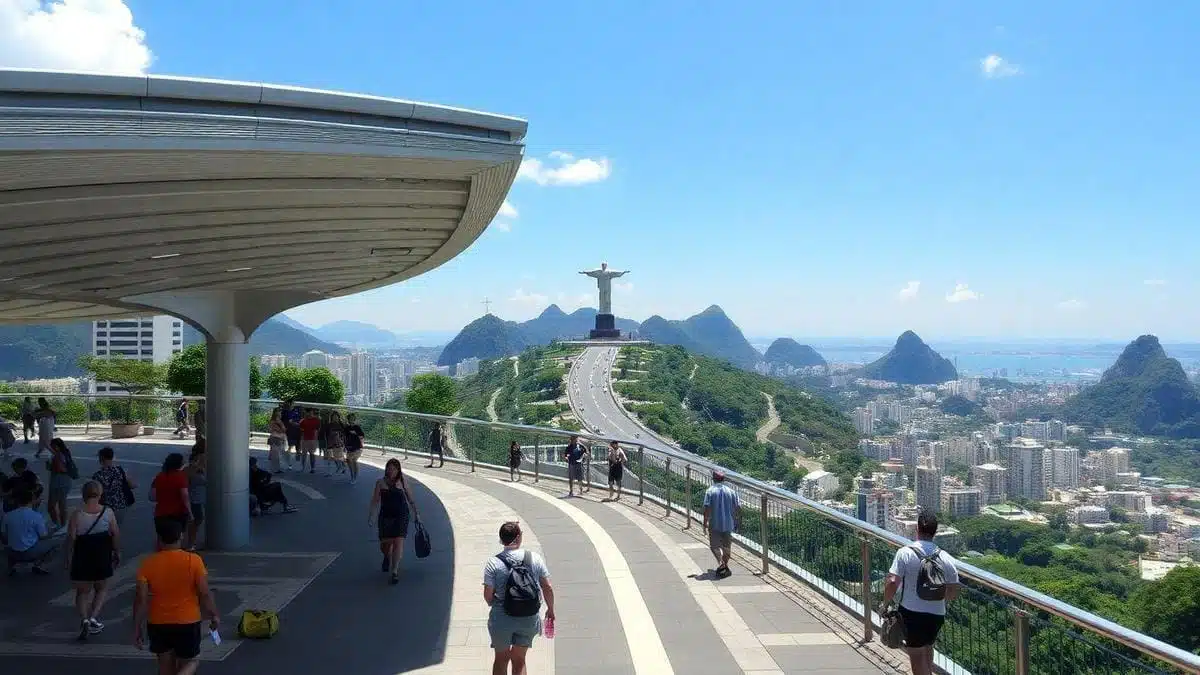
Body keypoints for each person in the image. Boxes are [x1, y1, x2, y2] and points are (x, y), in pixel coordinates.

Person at [133, 518, 220, 674]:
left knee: (165, 668)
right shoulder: (193, 561)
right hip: (187, 621)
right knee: (191, 661)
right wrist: (213, 615)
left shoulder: (147, 563)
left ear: (159, 538)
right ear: (181, 536)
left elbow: (141, 599)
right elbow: (204, 592)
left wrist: (137, 627)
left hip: (158, 622)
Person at [879, 511, 960, 675]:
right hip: (937, 614)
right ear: (935, 532)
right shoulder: (946, 558)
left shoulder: (905, 553)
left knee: (916, 656)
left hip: (911, 612)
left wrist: (885, 604)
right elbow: (953, 589)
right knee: (928, 649)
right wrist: (942, 603)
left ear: (917, 529)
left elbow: (893, 581)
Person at [483, 521, 555, 675]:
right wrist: (550, 609)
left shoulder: (493, 563)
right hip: (528, 617)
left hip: (501, 617)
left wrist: (493, 603)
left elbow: (488, 596)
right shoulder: (534, 558)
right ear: (518, 538)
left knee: (501, 659)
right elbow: (547, 586)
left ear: (501, 540)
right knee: (519, 660)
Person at [65, 480, 120, 640]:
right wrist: (117, 552)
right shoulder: (107, 512)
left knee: (82, 592)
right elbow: (115, 533)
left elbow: (71, 538)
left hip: (82, 554)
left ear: (83, 494)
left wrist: (68, 557)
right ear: (100, 494)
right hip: (102, 554)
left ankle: (84, 619)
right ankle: (94, 617)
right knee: (101, 588)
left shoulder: (77, 514)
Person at [369, 458, 419, 585]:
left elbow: (411, 499)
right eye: (389, 469)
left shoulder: (403, 482)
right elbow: (375, 501)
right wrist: (372, 516)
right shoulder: (380, 483)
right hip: (386, 516)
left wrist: (417, 514)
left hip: (401, 515)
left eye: (394, 469)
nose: (391, 471)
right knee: (385, 544)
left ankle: (394, 571)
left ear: (398, 470)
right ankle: (387, 556)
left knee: (398, 541)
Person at [1, 487, 58, 575]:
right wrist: (52, 532)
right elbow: (43, 536)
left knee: (11, 544)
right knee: (55, 544)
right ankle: (38, 564)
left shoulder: (8, 515)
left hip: (12, 551)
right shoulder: (36, 516)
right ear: (32, 500)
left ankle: (11, 566)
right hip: (29, 553)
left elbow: (3, 536)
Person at [702, 470, 740, 579]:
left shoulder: (710, 491)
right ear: (724, 479)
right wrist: (737, 521)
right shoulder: (731, 491)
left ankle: (720, 563)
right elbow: (737, 508)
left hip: (715, 523)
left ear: (713, 479)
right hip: (728, 523)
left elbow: (707, 508)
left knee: (714, 546)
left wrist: (705, 523)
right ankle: (725, 564)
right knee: (727, 546)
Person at [150, 453, 193, 538]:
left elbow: (151, 496)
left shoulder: (159, 476)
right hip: (178, 513)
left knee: (162, 538)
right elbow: (185, 496)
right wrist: (190, 512)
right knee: (177, 538)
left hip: (160, 513)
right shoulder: (181, 477)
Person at [93, 446, 136, 525]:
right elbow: (132, 485)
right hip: (121, 505)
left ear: (101, 459)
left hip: (105, 507)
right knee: (116, 529)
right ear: (112, 457)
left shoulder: (97, 476)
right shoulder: (119, 470)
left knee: (105, 530)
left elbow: (95, 494)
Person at [46, 437, 75, 531]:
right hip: (65, 482)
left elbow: (60, 469)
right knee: (62, 504)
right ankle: (63, 524)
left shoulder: (58, 456)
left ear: (57, 446)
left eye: (53, 446)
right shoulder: (66, 453)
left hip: (57, 483)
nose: (52, 448)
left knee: (52, 506)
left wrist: (51, 466)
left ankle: (58, 524)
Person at [185, 444, 207, 552]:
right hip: (193, 499)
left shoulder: (199, 470)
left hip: (198, 499)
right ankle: (190, 544)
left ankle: (190, 543)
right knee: (195, 521)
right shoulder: (190, 470)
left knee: (197, 521)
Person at [298, 409, 321, 475]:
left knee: (312, 454)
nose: (310, 414)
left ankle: (312, 468)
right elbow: (301, 430)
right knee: (304, 454)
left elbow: (318, 430)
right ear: (306, 413)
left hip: (313, 439)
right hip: (305, 439)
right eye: (308, 413)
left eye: (311, 413)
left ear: (313, 413)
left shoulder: (317, 420)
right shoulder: (303, 420)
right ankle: (302, 467)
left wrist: (316, 439)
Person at [344, 413, 365, 485]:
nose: (351, 420)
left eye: (353, 419)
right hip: (349, 447)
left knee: (354, 460)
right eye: (350, 419)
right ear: (348, 420)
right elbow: (345, 437)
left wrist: (355, 433)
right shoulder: (346, 428)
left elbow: (362, 436)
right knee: (349, 461)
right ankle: (352, 475)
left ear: (354, 419)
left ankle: (355, 477)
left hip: (357, 447)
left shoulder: (357, 427)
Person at [325, 411, 348, 477]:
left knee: (339, 457)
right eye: (333, 417)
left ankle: (342, 468)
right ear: (331, 418)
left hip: (339, 444)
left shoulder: (341, 425)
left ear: (338, 417)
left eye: (336, 417)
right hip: (330, 443)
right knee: (331, 457)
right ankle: (330, 472)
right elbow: (326, 434)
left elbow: (344, 434)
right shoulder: (329, 425)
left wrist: (343, 442)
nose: (335, 418)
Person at [282, 400, 302, 468]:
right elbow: (289, 421)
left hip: (297, 431)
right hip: (290, 431)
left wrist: (299, 424)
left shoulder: (296, 411)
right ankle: (289, 463)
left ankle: (297, 461)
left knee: (298, 446)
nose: (293, 405)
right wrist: (298, 424)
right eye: (292, 403)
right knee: (290, 446)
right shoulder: (286, 412)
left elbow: (299, 419)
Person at [267, 409, 287, 473]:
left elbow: (283, 429)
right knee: (275, 455)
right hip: (275, 438)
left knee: (278, 455)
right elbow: (271, 430)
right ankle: (274, 469)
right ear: (276, 413)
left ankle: (277, 469)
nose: (280, 414)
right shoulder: (273, 421)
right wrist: (278, 428)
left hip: (280, 438)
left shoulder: (280, 421)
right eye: (279, 412)